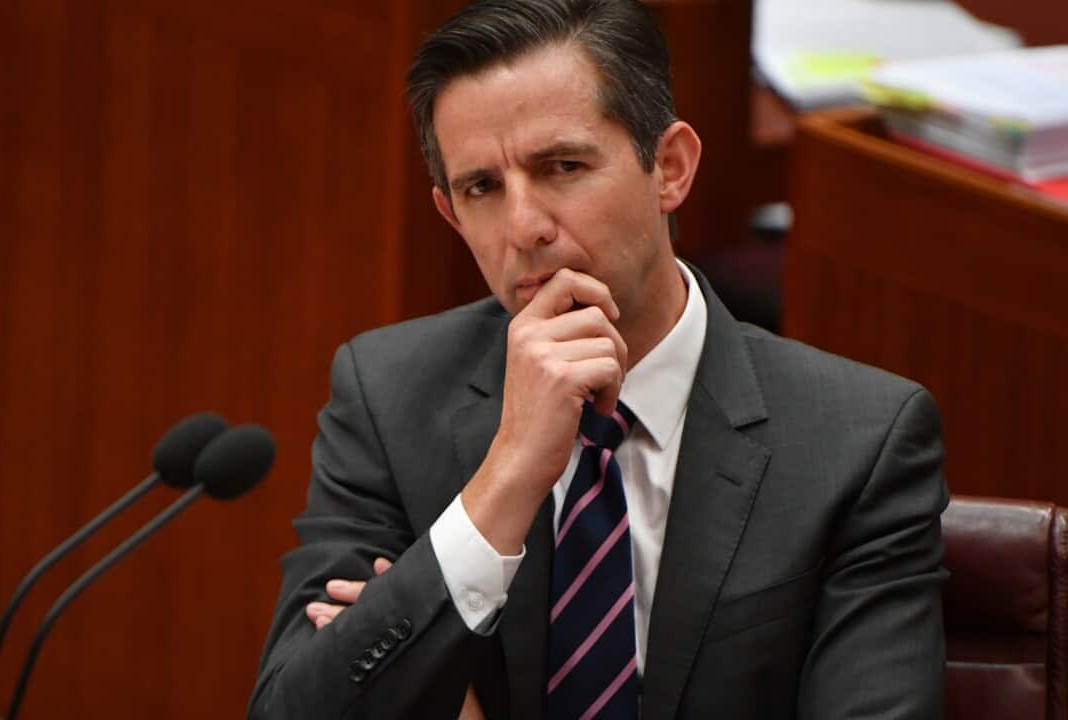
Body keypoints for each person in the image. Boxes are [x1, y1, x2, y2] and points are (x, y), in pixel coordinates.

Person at [248, 1, 949, 718]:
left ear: (669, 169)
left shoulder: (857, 443)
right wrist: (507, 477)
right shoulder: (390, 396)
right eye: (482, 188)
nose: (523, 228)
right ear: (451, 215)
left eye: (563, 166)